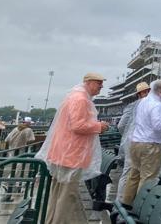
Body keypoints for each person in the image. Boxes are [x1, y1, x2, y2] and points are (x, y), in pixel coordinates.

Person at [36, 73, 110, 224]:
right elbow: (77, 125)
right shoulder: (81, 99)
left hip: (63, 153)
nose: (101, 86)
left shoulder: (75, 96)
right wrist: (99, 126)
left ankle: (52, 220)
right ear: (88, 82)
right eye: (98, 83)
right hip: (71, 154)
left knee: (58, 191)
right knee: (67, 194)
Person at [123, 80, 161, 205]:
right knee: (147, 179)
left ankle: (126, 204)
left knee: (134, 176)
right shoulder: (157, 105)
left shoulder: (143, 102)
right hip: (150, 145)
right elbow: (158, 125)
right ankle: (140, 208)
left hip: (136, 143)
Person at [116, 82, 150, 199]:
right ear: (142, 93)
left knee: (128, 173)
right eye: (147, 91)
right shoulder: (151, 105)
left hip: (129, 142)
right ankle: (133, 202)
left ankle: (120, 202)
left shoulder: (131, 106)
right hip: (143, 142)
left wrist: (127, 136)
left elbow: (121, 126)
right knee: (140, 174)